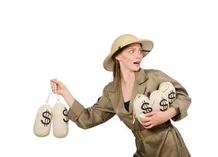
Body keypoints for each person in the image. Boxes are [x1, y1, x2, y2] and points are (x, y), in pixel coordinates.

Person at [50, 34, 191, 157]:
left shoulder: (154, 76)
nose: (139, 55)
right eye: (132, 51)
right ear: (118, 56)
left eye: (140, 51)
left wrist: (166, 115)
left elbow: (183, 96)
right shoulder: (112, 92)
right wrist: (65, 93)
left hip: (169, 147)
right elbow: (88, 119)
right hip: (143, 150)